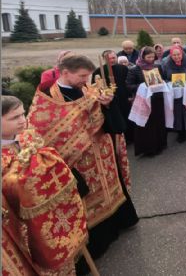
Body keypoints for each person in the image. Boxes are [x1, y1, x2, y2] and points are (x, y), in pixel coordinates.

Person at [27, 55, 139, 264]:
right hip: (77, 163)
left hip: (103, 156)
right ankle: (98, 244)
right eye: (82, 76)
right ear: (65, 73)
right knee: (87, 201)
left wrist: (108, 105)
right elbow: (40, 136)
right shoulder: (46, 99)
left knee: (112, 190)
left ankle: (119, 224)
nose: (86, 81)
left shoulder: (88, 90)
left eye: (87, 76)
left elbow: (111, 124)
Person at [2, 96, 88, 275]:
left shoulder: (28, 135)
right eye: (14, 117)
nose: (22, 120)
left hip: (53, 208)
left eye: (23, 114)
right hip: (25, 222)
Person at [127, 47, 167, 156]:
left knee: (158, 123)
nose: (151, 59)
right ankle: (148, 149)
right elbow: (129, 85)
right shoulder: (135, 69)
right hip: (144, 101)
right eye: (148, 57)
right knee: (146, 124)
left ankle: (160, 145)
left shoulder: (157, 67)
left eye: (153, 57)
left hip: (157, 100)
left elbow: (163, 79)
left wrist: (162, 82)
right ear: (142, 56)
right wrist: (143, 86)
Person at [93, 49, 133, 143]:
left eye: (113, 58)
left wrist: (130, 95)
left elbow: (128, 83)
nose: (112, 60)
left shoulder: (123, 68)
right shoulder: (98, 71)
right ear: (104, 59)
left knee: (127, 117)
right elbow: (95, 88)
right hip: (109, 101)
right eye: (109, 58)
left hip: (124, 98)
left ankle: (129, 139)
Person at [162, 45, 186, 142]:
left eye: (178, 54)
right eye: (174, 55)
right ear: (171, 55)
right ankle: (180, 133)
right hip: (174, 93)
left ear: (182, 53)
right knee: (177, 112)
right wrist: (169, 83)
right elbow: (164, 78)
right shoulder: (166, 64)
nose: (176, 57)